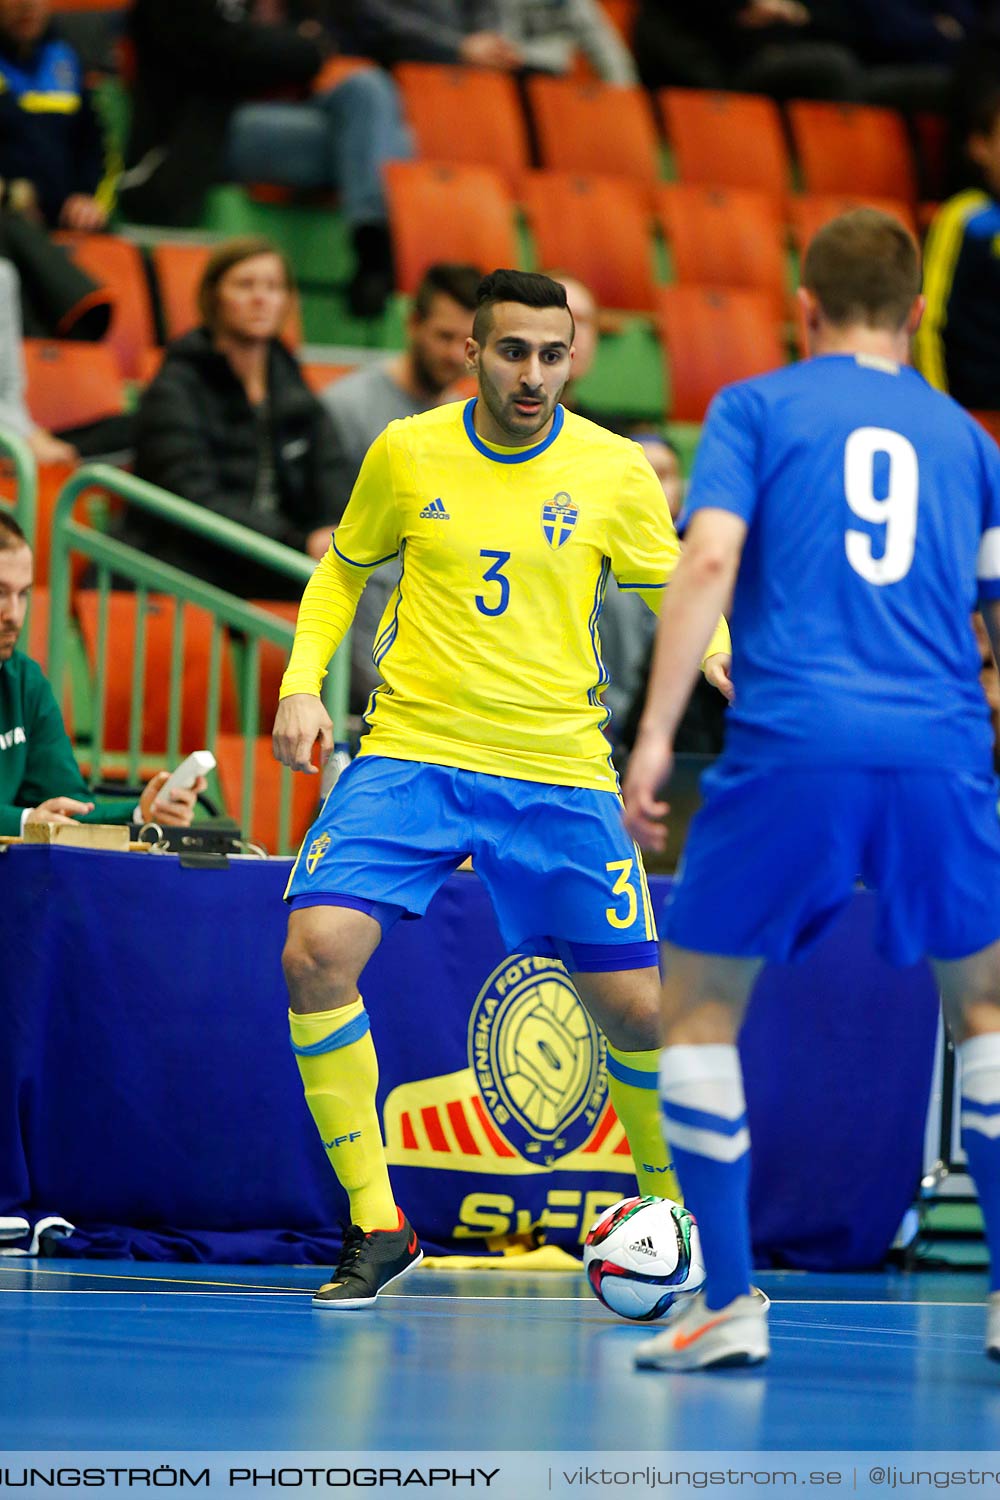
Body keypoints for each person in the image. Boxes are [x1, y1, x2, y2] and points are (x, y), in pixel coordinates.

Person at [272, 269, 733, 1309]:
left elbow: (676, 587)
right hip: (412, 756)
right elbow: (342, 570)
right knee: (314, 953)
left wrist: (717, 653)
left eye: (552, 354)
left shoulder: (614, 470)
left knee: (637, 1012)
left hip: (558, 773)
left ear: (574, 357)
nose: (533, 373)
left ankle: (668, 1219)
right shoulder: (407, 450)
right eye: (512, 351)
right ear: (469, 352)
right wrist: (305, 686)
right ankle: (377, 1225)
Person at [622, 207, 1000, 1372]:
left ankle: (728, 1305)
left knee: (695, 1010)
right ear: (918, 313)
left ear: (803, 306)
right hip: (941, 746)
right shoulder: (967, 440)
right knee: (986, 1014)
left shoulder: (755, 407)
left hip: (793, 742)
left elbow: (710, 558)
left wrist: (650, 739)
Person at [120, 0, 411, 317]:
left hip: (288, 113)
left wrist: (288, 48)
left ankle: (371, 240)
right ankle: (376, 255)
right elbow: (229, 54)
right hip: (209, 131)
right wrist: (302, 48)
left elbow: (293, 45)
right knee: (394, 142)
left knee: (371, 88)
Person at [128, 237, 339, 600]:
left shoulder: (290, 382)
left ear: (287, 301)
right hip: (194, 562)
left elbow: (331, 468)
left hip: (278, 561)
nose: (260, 298)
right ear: (213, 297)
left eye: (273, 287)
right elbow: (190, 494)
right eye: (245, 285)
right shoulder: (177, 385)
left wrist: (335, 531)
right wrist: (295, 542)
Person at [320, 261, 481, 711]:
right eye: (443, 337)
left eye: (465, 343)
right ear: (412, 324)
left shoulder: (476, 417)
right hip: (371, 593)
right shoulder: (345, 407)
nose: (454, 356)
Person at [0, 510, 203, 835]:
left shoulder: (25, 682)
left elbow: (69, 806)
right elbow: (36, 821)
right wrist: (24, 823)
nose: (13, 613)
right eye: (0, 593)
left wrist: (141, 813)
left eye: (23, 594)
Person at [916, 84, 1000, 410]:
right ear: (980, 147)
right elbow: (928, 322)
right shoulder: (963, 218)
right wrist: (939, 408)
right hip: (971, 410)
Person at [0, 0, 108, 231]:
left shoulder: (66, 58)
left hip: (66, 226)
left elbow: (95, 147)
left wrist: (87, 198)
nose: (26, 5)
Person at [354, 0, 637, 83]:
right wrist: (463, 47)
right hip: (403, 74)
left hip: (525, 75)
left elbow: (607, 49)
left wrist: (489, 43)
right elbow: (376, 21)